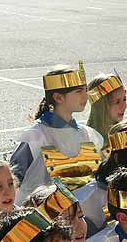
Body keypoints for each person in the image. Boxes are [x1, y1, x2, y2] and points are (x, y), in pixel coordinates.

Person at [11, 65, 104, 201]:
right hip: (48, 213)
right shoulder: (37, 135)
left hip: (83, 214)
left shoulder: (86, 134)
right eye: (79, 91)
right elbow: (15, 178)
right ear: (58, 98)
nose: (86, 95)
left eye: (86, 90)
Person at [86, 71, 127, 142]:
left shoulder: (125, 132)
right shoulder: (88, 137)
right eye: (117, 102)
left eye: (124, 99)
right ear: (101, 106)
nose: (123, 106)